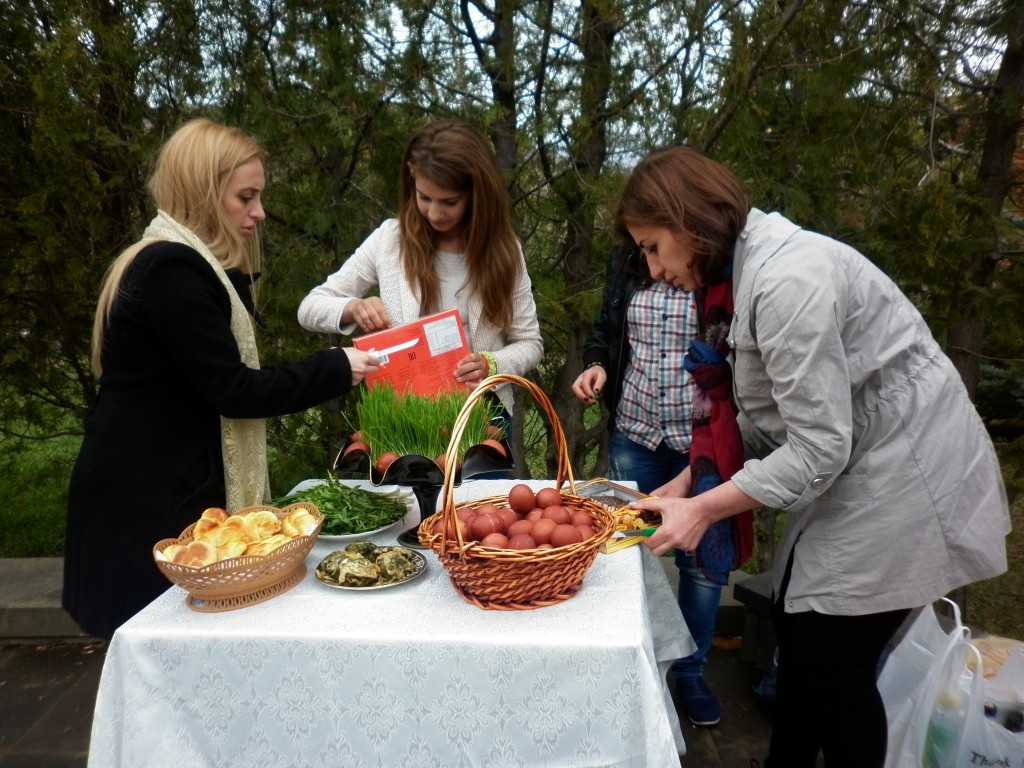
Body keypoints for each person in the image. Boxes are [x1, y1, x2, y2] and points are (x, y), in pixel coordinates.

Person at [614, 146, 1010, 767]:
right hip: (858, 461)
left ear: (690, 222)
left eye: (654, 246)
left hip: (907, 470)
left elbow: (819, 446)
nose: (653, 268)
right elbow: (766, 414)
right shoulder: (738, 280)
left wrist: (705, 509)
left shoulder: (784, 281)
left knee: (832, 658)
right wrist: (690, 481)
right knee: (798, 634)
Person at [63, 119, 380, 640]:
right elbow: (233, 391)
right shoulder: (171, 270)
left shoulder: (178, 262)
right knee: (159, 650)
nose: (258, 212)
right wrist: (336, 367)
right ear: (204, 192)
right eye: (245, 197)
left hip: (153, 486)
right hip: (145, 502)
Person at [571, 243, 738, 727]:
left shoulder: (716, 268)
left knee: (700, 564)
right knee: (625, 547)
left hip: (699, 440)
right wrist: (597, 363)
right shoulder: (626, 257)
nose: (654, 260)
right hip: (637, 431)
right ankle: (633, 660)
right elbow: (605, 329)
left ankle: (689, 671)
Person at [297, 119, 543, 427]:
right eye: (424, 197)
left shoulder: (505, 252)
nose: (435, 213)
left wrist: (491, 364)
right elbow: (309, 308)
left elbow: (530, 343)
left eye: (449, 202)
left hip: (483, 414)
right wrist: (353, 307)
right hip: (403, 415)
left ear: (477, 196)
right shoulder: (390, 240)